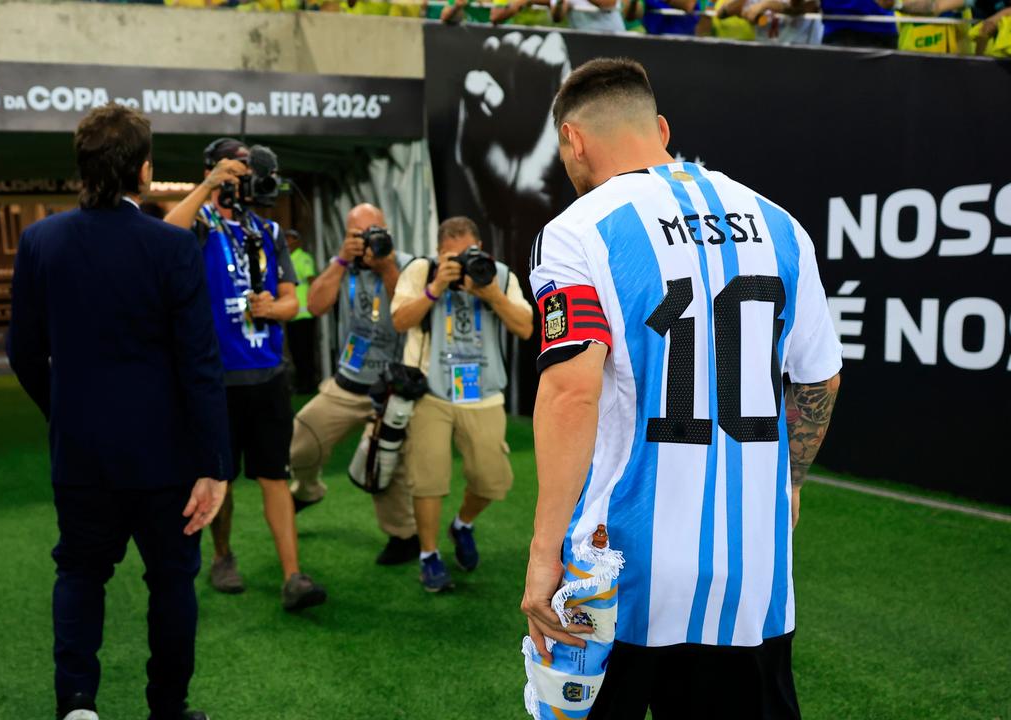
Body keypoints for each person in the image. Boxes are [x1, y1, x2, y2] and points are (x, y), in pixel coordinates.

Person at [520, 58, 842, 719]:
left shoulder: (579, 230)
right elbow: (819, 377)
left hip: (616, 575)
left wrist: (542, 550)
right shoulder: (779, 223)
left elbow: (572, 391)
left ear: (574, 141)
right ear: (660, 128)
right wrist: (792, 482)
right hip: (750, 579)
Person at [7, 104, 231, 720]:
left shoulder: (40, 240)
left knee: (79, 574)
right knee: (171, 584)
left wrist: (65, 411)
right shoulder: (171, 246)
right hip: (168, 459)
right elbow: (199, 363)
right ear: (144, 170)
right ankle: (167, 708)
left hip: (80, 452)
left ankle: (77, 704)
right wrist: (215, 462)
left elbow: (22, 351)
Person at [164, 138, 327, 611]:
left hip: (267, 373)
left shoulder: (268, 229)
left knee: (274, 476)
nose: (242, 179)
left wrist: (272, 308)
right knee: (221, 477)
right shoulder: (199, 224)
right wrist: (208, 185)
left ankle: (293, 575)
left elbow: (292, 302)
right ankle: (222, 556)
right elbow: (163, 237)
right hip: (214, 377)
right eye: (232, 170)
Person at [390, 217, 533, 592]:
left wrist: (491, 295)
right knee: (429, 478)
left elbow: (526, 327)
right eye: (452, 257)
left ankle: (462, 525)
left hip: (483, 391)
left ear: (481, 250)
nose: (462, 263)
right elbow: (400, 320)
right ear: (439, 254)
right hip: (431, 391)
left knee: (492, 480)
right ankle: (429, 556)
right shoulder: (422, 271)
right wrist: (436, 286)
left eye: (470, 254)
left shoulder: (497, 275)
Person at [289, 204, 420, 565]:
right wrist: (339, 261)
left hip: (391, 387)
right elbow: (314, 306)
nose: (366, 241)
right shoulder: (343, 268)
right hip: (347, 381)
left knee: (384, 463)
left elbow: (409, 314)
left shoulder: (409, 265)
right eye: (357, 234)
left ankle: (403, 536)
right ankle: (308, 489)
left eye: (373, 231)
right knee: (300, 441)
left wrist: (387, 266)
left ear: (387, 231)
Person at [286, 229, 319, 394]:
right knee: (296, 352)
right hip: (291, 315)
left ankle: (309, 383)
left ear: (297, 241)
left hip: (304, 314)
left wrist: (315, 304)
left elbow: (312, 281)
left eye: (290, 238)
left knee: (305, 351)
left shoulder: (303, 258)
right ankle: (300, 383)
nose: (287, 241)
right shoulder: (286, 259)